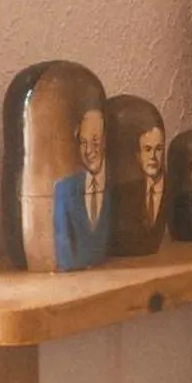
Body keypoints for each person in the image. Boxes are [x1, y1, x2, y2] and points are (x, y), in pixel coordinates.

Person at [52, 106, 111, 270]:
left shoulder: (118, 185)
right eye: (83, 143)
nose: (89, 150)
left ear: (106, 140)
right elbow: (64, 258)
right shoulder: (63, 190)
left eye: (95, 142)